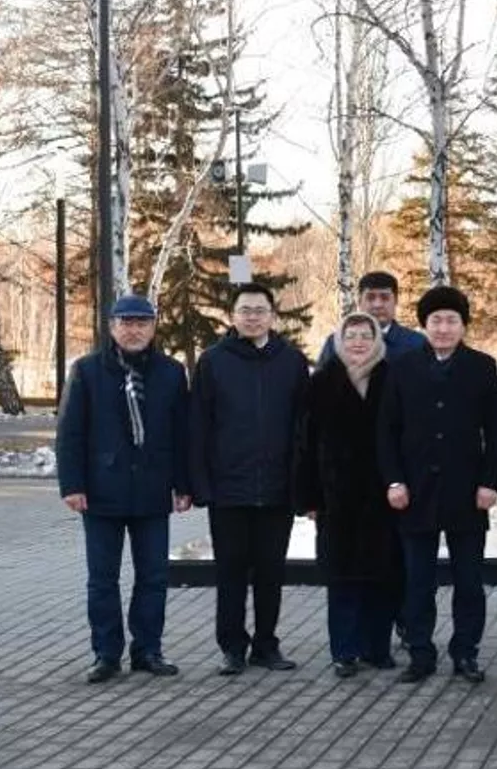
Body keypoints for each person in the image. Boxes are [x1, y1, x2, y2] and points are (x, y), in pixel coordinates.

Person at [56, 293, 192, 682]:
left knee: (154, 577)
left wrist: (184, 484)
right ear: (112, 327)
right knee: (103, 579)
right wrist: (72, 484)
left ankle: (148, 649)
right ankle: (106, 653)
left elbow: (181, 433)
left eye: (141, 323)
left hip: (152, 491)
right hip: (101, 492)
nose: (133, 330)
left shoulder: (170, 372)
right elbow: (70, 433)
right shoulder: (87, 371)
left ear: (153, 328)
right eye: (126, 323)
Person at [378, 285, 497, 684]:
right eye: (436, 321)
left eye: (452, 320)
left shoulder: (482, 367)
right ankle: (420, 652)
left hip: (467, 492)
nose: (444, 328)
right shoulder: (401, 367)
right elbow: (386, 430)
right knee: (418, 580)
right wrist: (394, 480)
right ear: (425, 325)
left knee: (469, 580)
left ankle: (466, 652)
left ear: (463, 326)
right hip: (415, 491)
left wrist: (489, 483)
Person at [190, 283, 310, 676]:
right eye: (245, 310)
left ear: (272, 316)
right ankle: (232, 648)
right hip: (229, 489)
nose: (252, 316)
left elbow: (303, 427)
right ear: (233, 316)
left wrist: (302, 484)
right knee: (231, 574)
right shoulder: (213, 361)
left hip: (277, 489)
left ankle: (266, 645)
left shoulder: (291, 361)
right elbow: (199, 426)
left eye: (260, 310)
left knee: (271, 572)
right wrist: (200, 482)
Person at [295, 312, 399, 677]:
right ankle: (344, 651)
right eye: (351, 335)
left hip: (382, 496)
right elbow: (305, 443)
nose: (357, 342)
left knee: (381, 576)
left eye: (365, 336)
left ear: (376, 341)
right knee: (341, 578)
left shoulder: (392, 379)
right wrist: (309, 498)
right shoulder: (322, 382)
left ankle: (378, 648)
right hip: (335, 498)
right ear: (339, 340)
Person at [315, 270, 427, 367]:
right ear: (359, 301)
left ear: (396, 301)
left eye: (385, 298)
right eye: (370, 298)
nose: (377, 304)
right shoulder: (336, 344)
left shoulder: (417, 345)